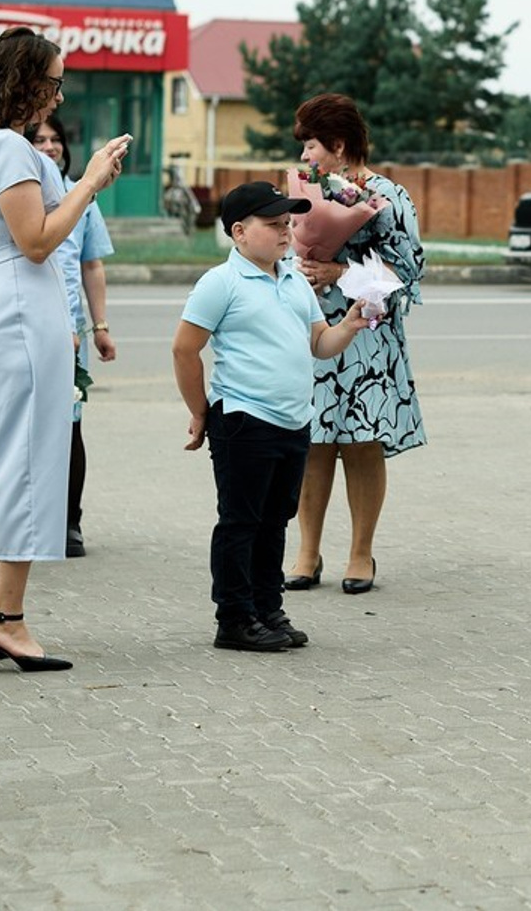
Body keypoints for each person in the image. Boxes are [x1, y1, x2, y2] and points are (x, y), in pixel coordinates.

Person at [0, 26, 130, 673]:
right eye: (55, 79)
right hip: (19, 309)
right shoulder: (12, 153)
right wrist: (93, 179)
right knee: (25, 465)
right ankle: (7, 618)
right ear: (30, 84)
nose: (60, 92)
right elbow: (38, 240)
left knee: (0, 459)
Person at [172, 182, 373, 651]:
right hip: (243, 418)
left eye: (289, 224)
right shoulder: (220, 284)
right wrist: (200, 411)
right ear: (239, 232)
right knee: (241, 522)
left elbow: (319, 344)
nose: (286, 233)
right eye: (274, 225)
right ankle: (235, 617)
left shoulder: (294, 280)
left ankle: (267, 607)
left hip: (292, 422)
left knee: (274, 520)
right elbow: (185, 348)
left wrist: (349, 324)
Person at [284, 94, 425, 597]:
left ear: (339, 145)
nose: (304, 157)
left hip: (367, 333)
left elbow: (409, 272)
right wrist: (298, 268)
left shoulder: (389, 196)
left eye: (311, 146)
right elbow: (283, 246)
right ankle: (306, 551)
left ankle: (361, 551)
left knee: (361, 442)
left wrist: (340, 271)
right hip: (314, 330)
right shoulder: (305, 193)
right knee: (314, 442)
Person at [28, 116, 116, 557]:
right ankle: (25, 519)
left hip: (71, 333)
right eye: (39, 140)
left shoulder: (82, 195)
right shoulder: (20, 191)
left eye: (55, 139)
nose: (49, 147)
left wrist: (99, 327)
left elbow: (91, 265)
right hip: (25, 323)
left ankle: (69, 522)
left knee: (70, 426)